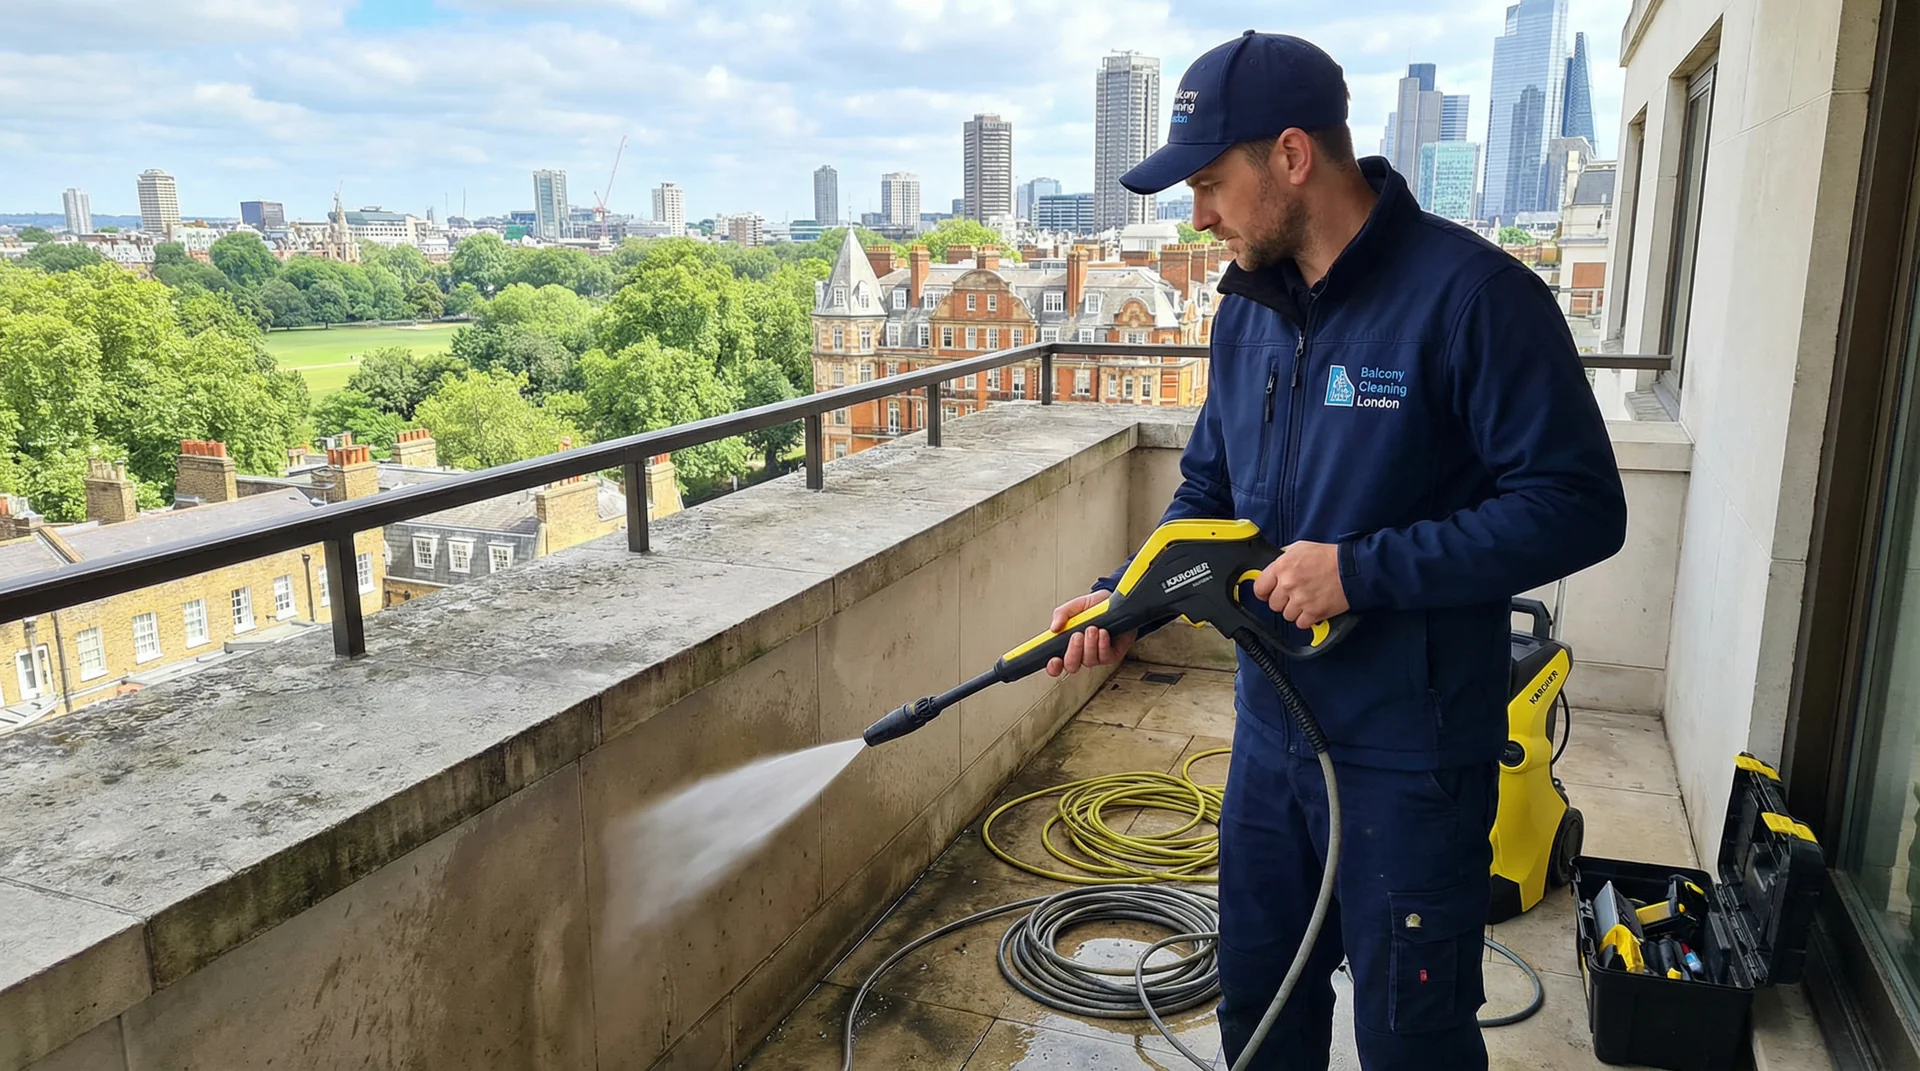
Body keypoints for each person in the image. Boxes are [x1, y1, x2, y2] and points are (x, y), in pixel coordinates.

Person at [1042, 31, 1627, 1071]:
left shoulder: (1474, 299)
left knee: (1411, 1041)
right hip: (1271, 741)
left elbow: (1579, 507)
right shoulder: (1247, 313)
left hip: (1412, 760)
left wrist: (1358, 571)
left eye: (1210, 184)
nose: (1199, 215)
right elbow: (1209, 495)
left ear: (1293, 156)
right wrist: (1127, 600)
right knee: (1259, 1012)